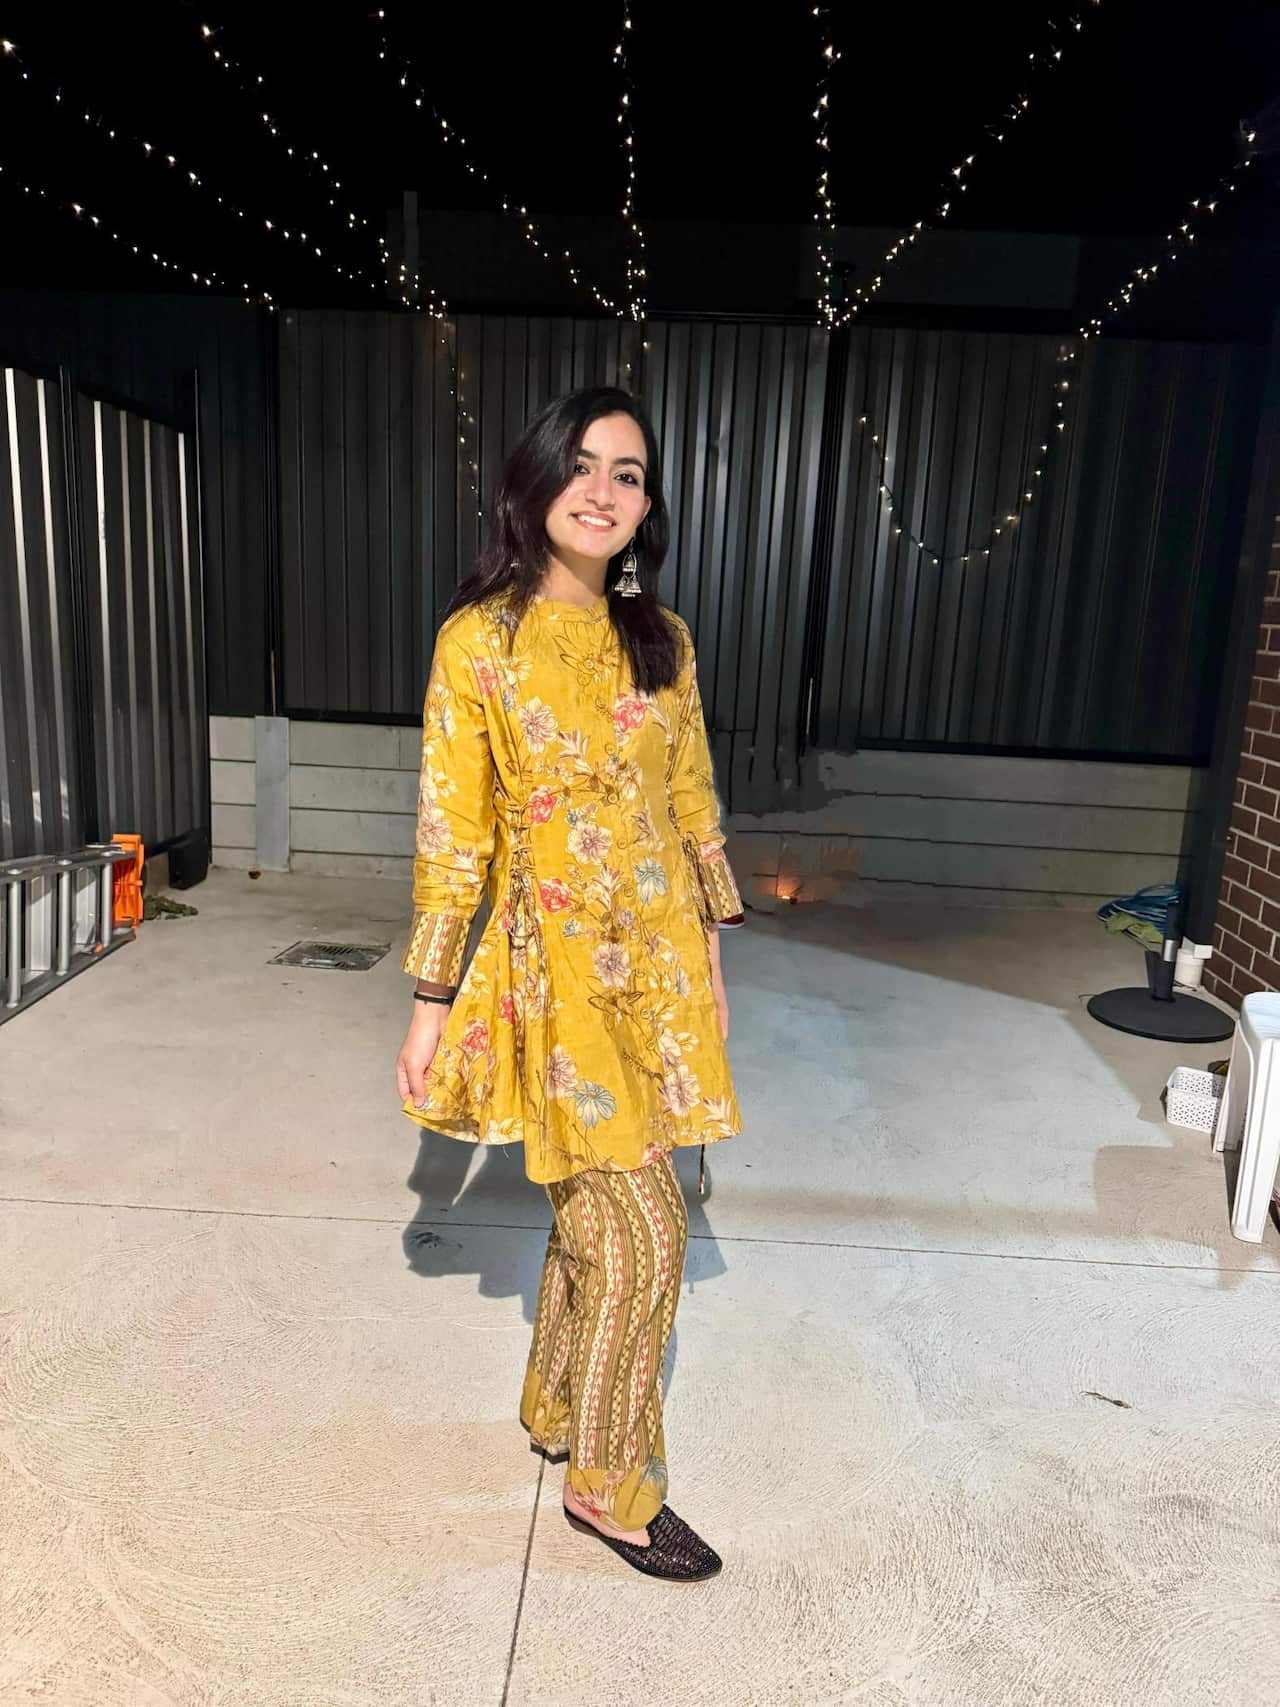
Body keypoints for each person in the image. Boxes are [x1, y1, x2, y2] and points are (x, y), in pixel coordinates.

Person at [394, 386, 744, 1583]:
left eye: (628, 474)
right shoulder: (477, 641)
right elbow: (455, 837)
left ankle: (556, 1407)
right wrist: (430, 1003)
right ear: (534, 482)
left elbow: (689, 801)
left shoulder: (664, 641)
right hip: (553, 990)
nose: (602, 490)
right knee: (644, 1237)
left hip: (656, 980)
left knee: (595, 1223)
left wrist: (707, 961)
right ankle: (612, 1488)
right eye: (581, 465)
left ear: (647, 508)